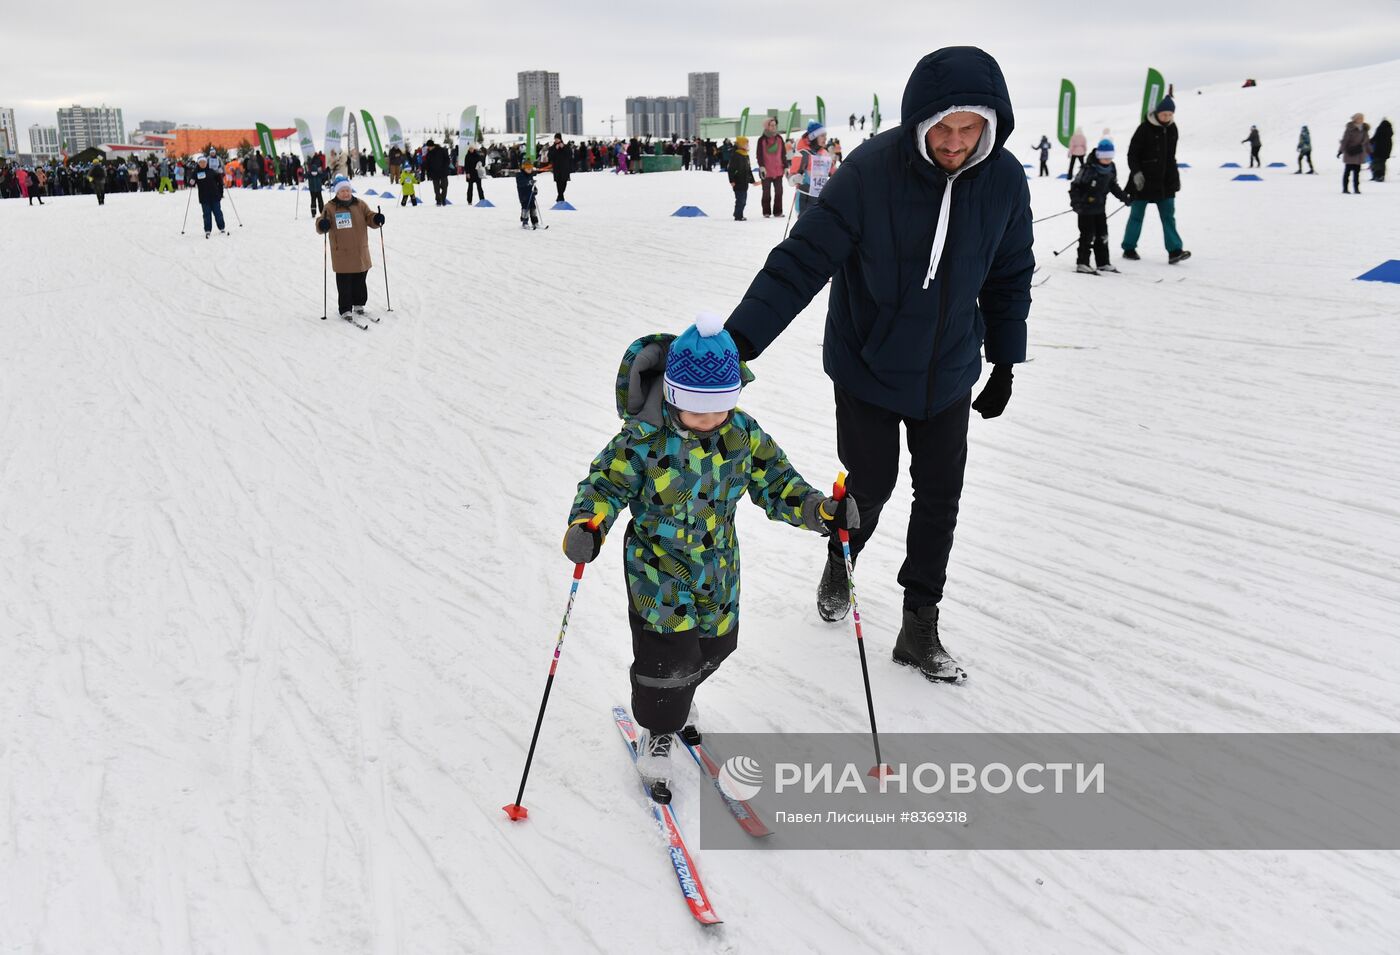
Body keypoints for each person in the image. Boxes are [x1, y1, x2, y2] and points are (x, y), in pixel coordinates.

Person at [723, 46, 1034, 685]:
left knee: (940, 495)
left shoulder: (1004, 180)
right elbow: (802, 261)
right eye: (942, 129)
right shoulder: (870, 172)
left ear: (989, 124)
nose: (953, 143)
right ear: (919, 122)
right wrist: (737, 343)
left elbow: (1010, 274)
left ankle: (920, 624)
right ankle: (843, 553)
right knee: (873, 483)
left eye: (967, 129)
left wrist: (1004, 358)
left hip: (949, 366)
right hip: (867, 361)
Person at [563, 315, 858, 801]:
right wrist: (587, 524)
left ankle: (678, 699)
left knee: (716, 645)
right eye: (698, 410)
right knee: (666, 660)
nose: (709, 420)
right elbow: (604, 483)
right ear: (674, 395)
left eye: (720, 408)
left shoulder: (741, 434)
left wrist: (819, 510)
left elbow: (777, 481)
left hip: (719, 567)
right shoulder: (643, 439)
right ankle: (658, 728)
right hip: (658, 572)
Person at [1123, 95, 1191, 264]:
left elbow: (1170, 157)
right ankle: (1129, 248)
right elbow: (1132, 154)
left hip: (1165, 182)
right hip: (1143, 181)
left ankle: (1175, 250)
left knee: (1168, 216)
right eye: (1164, 114)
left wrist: (1175, 177)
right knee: (1137, 216)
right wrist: (1136, 172)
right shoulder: (1144, 129)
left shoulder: (1173, 129)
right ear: (1157, 113)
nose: (1167, 118)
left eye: (1170, 115)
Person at [314, 176, 384, 321]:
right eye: (342, 191)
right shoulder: (330, 207)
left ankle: (359, 304)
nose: (345, 193)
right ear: (336, 192)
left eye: (347, 190)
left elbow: (369, 216)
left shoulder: (360, 204)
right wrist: (323, 224)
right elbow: (321, 220)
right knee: (344, 282)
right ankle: (345, 309)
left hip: (360, 250)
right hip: (342, 252)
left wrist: (376, 218)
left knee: (360, 279)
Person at [1070, 139, 1129, 274]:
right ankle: (1082, 263)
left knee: (1102, 235)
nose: (1107, 160)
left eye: (1109, 157)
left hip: (1100, 208)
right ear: (1098, 156)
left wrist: (1124, 197)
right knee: (1087, 235)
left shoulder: (1111, 168)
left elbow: (1113, 185)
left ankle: (1103, 262)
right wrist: (1076, 203)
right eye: (1104, 157)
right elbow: (1075, 186)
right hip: (1085, 209)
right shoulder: (1089, 169)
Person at [788, 120, 832, 221]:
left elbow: (833, 172)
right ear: (813, 137)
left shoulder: (825, 154)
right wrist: (795, 179)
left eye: (825, 135)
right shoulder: (803, 154)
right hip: (805, 198)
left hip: (821, 198)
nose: (825, 138)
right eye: (822, 136)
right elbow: (790, 178)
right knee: (804, 229)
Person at [756, 117, 787, 218]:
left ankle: (778, 212)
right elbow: (759, 155)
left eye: (775, 125)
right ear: (767, 127)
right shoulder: (762, 140)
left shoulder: (779, 138)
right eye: (772, 125)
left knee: (779, 192)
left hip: (778, 170)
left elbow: (783, 154)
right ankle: (766, 212)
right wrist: (761, 167)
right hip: (766, 171)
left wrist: (786, 167)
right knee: (766, 193)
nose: (774, 127)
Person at [193, 154, 227, 237]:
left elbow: (220, 181)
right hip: (204, 197)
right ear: (198, 163)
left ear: (206, 163)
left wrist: (220, 192)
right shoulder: (196, 173)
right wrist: (191, 181)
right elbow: (191, 181)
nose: (202, 164)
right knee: (206, 214)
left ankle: (221, 227)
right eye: (200, 162)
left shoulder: (212, 171)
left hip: (214, 196)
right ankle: (207, 229)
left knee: (218, 213)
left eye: (204, 162)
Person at [728, 135, 756, 220]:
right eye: (745, 143)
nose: (747, 145)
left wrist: (752, 180)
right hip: (738, 181)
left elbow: (748, 169)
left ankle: (737, 213)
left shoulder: (745, 155)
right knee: (740, 200)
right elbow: (731, 169)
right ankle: (738, 216)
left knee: (743, 200)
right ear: (740, 144)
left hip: (745, 181)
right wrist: (732, 180)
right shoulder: (736, 155)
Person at [1339, 113, 1367, 194]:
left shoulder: (1364, 129)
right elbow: (1345, 141)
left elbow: (1366, 141)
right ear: (1355, 119)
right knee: (1347, 172)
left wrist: (1370, 151)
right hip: (1350, 153)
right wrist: (1340, 151)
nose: (1362, 120)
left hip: (1359, 153)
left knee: (1357, 173)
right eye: (1360, 118)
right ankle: (1345, 188)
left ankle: (1356, 188)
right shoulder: (1349, 129)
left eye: (1362, 118)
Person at [547, 133, 573, 203]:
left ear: (560, 139)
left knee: (564, 182)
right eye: (555, 139)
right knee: (558, 182)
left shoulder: (566, 146)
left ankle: (560, 196)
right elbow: (550, 157)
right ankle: (561, 197)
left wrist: (563, 148)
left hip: (565, 168)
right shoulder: (552, 148)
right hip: (557, 168)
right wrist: (555, 149)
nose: (556, 140)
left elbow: (570, 155)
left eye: (557, 139)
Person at [424, 139, 451, 205]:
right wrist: (428, 173)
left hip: (443, 171)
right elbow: (427, 164)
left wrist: (445, 167)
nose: (428, 148)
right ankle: (438, 200)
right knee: (436, 188)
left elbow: (447, 159)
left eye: (429, 147)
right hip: (434, 173)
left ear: (432, 146)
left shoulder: (441, 150)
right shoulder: (428, 154)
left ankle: (443, 199)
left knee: (445, 186)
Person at [516, 161, 541, 229]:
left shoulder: (530, 175)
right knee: (525, 209)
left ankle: (535, 222)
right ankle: (525, 222)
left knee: (533, 208)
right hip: (523, 195)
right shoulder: (519, 175)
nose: (530, 170)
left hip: (531, 195)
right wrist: (528, 182)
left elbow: (532, 184)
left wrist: (535, 189)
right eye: (528, 169)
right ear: (524, 168)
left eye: (531, 169)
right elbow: (521, 184)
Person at [1369, 118, 1392, 182]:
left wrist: (1369, 142)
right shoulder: (1390, 132)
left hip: (1378, 149)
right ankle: (1382, 175)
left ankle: (1377, 175)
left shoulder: (1380, 129)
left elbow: (1375, 138)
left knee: (1376, 163)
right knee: (1383, 163)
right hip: (1386, 150)